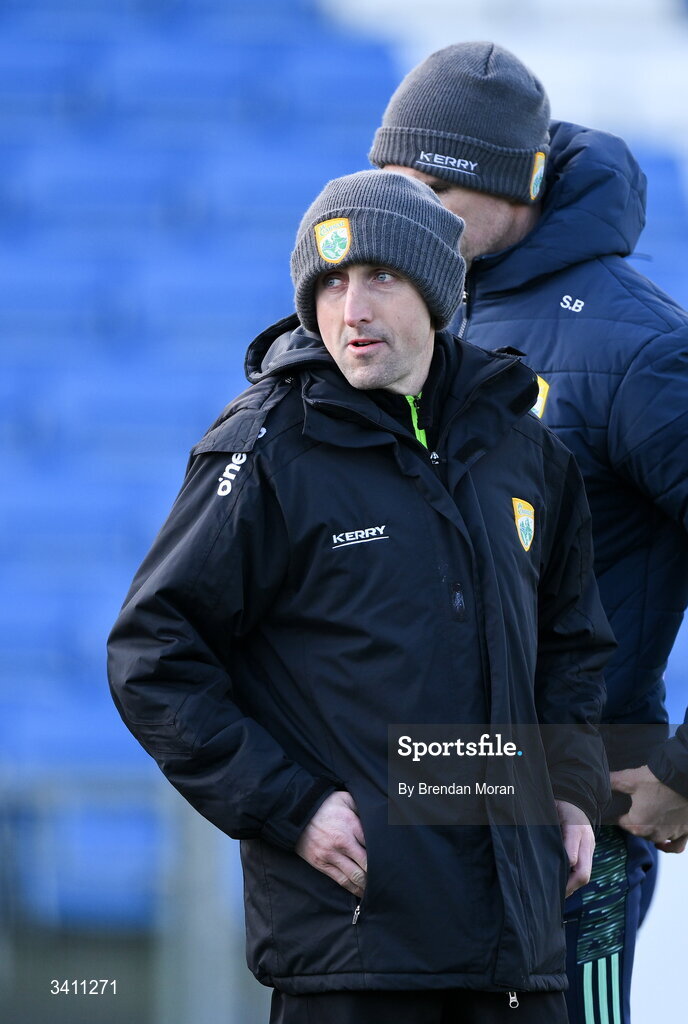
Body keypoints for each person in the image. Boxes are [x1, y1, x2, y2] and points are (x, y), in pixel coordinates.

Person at [369, 41, 688, 1024]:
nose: (403, 213)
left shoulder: (632, 347)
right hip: (423, 811)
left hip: (568, 824)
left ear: (514, 183)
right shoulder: (418, 314)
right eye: (391, 183)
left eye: (431, 188)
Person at [107, 169, 618, 1024]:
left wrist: (570, 787)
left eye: (379, 276)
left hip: (522, 960)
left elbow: (571, 646)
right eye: (331, 285)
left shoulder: (525, 448)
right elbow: (152, 656)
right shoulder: (264, 448)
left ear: (437, 288)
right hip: (356, 958)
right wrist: (291, 805)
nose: (352, 310)